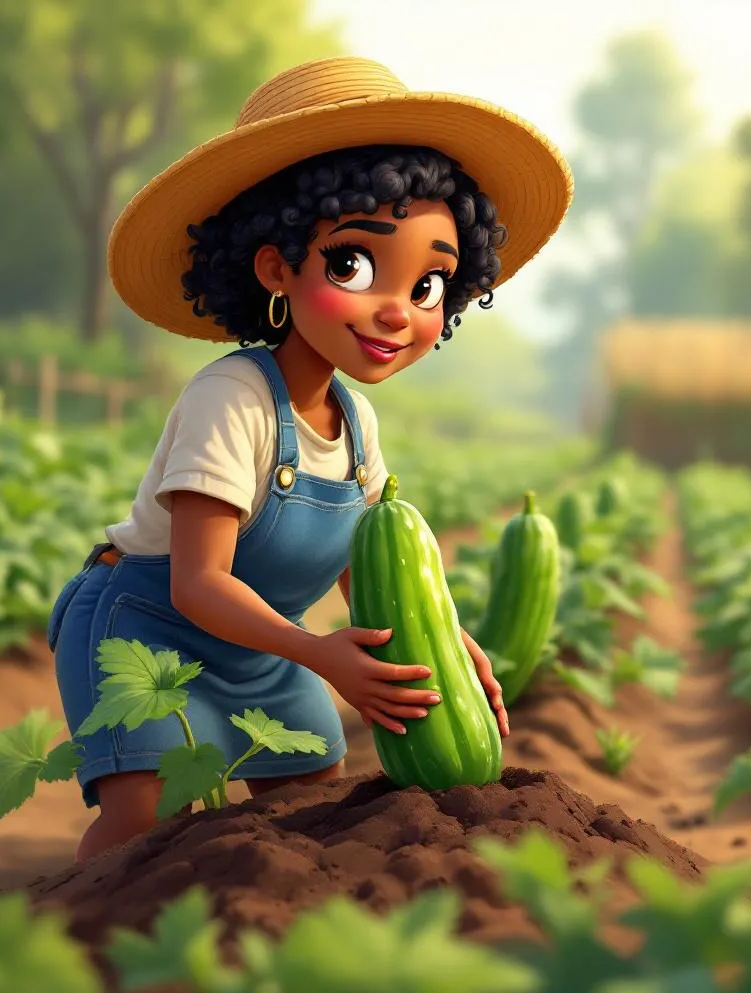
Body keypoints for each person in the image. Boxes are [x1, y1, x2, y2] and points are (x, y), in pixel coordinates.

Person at [47, 56, 573, 862]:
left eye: (429, 282)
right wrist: (322, 657)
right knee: (142, 826)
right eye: (353, 265)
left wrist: (451, 646)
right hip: (143, 629)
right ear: (275, 267)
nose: (397, 309)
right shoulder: (233, 399)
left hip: (260, 644)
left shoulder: (357, 425)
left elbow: (369, 576)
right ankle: (85, 953)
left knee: (311, 804)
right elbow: (198, 582)